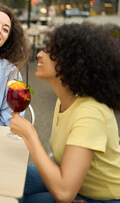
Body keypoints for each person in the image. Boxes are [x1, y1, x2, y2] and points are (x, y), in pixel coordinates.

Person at [10, 22, 120, 202]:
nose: (39, 54)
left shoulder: (91, 113)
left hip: (105, 198)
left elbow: (63, 194)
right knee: (11, 177)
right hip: (73, 183)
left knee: (24, 199)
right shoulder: (64, 99)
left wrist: (30, 135)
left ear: (71, 61)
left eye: (48, 50)